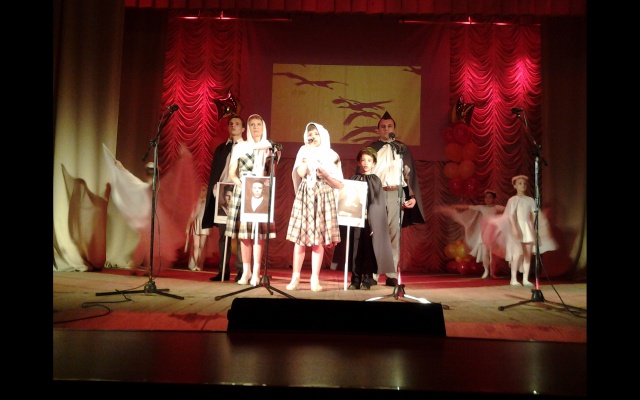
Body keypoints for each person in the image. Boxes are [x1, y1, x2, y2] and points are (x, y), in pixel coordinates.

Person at [365, 111, 425, 286]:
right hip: (376, 193)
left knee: (394, 234)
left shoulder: (402, 149)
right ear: (378, 130)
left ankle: (391, 274)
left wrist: (412, 195)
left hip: (395, 193)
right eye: (383, 127)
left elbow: (408, 175)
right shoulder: (372, 149)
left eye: (389, 126)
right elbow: (365, 171)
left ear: (394, 129)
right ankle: (373, 274)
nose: (386, 129)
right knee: (376, 233)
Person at [286, 122, 344, 292]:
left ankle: (315, 279)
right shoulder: (303, 151)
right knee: (300, 240)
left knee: (318, 240)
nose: (313, 137)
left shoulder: (332, 155)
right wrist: (308, 156)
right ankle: (295, 277)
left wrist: (326, 175)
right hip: (306, 194)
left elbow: (339, 184)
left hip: (323, 195)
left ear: (323, 135)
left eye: (316, 134)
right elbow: (300, 173)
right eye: (310, 134)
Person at [225, 114, 278, 286]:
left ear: (263, 127)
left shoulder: (269, 147)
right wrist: (241, 185)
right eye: (252, 124)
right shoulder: (241, 147)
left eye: (258, 124)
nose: (255, 127)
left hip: (260, 192)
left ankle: (256, 272)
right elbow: (232, 173)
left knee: (258, 234)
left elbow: (272, 173)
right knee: (244, 234)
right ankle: (246, 270)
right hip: (243, 191)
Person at [483, 175, 558, 286]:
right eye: (520, 183)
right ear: (515, 186)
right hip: (517, 228)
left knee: (527, 255)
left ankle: (525, 279)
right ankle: (513, 278)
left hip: (527, 229)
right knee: (517, 254)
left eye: (524, 183)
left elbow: (535, 214)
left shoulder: (530, 200)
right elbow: (511, 215)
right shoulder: (512, 200)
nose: (523, 185)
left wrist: (542, 223)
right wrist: (514, 228)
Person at [202, 115, 245, 282]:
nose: (233, 126)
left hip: (240, 193)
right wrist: (215, 189)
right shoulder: (221, 149)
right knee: (224, 234)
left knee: (240, 234)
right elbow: (216, 172)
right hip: (222, 193)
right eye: (231, 124)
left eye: (237, 124)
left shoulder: (247, 148)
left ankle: (241, 270)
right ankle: (223, 271)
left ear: (243, 129)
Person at [346, 147, 395, 290]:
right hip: (356, 221)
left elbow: (377, 203)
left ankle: (367, 279)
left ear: (373, 163)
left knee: (369, 249)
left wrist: (374, 224)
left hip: (369, 222)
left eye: (369, 160)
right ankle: (355, 279)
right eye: (363, 160)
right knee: (355, 250)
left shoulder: (375, 180)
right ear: (358, 162)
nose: (365, 163)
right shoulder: (354, 179)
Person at [436, 189, 506, 279]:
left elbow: (508, 210)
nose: (488, 199)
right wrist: (456, 206)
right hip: (484, 232)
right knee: (485, 253)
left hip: (493, 233)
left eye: (490, 197)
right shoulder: (482, 207)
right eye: (486, 197)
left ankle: (492, 272)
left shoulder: (497, 207)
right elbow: (468, 207)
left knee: (492, 255)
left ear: (494, 199)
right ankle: (486, 271)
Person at [185, 185, 210, 271]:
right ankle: (195, 264)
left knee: (202, 247)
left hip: (204, 225)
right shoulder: (196, 202)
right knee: (196, 245)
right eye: (201, 190)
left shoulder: (208, 203)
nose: (202, 192)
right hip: (196, 224)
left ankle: (199, 264)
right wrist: (188, 227)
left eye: (204, 190)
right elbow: (192, 215)